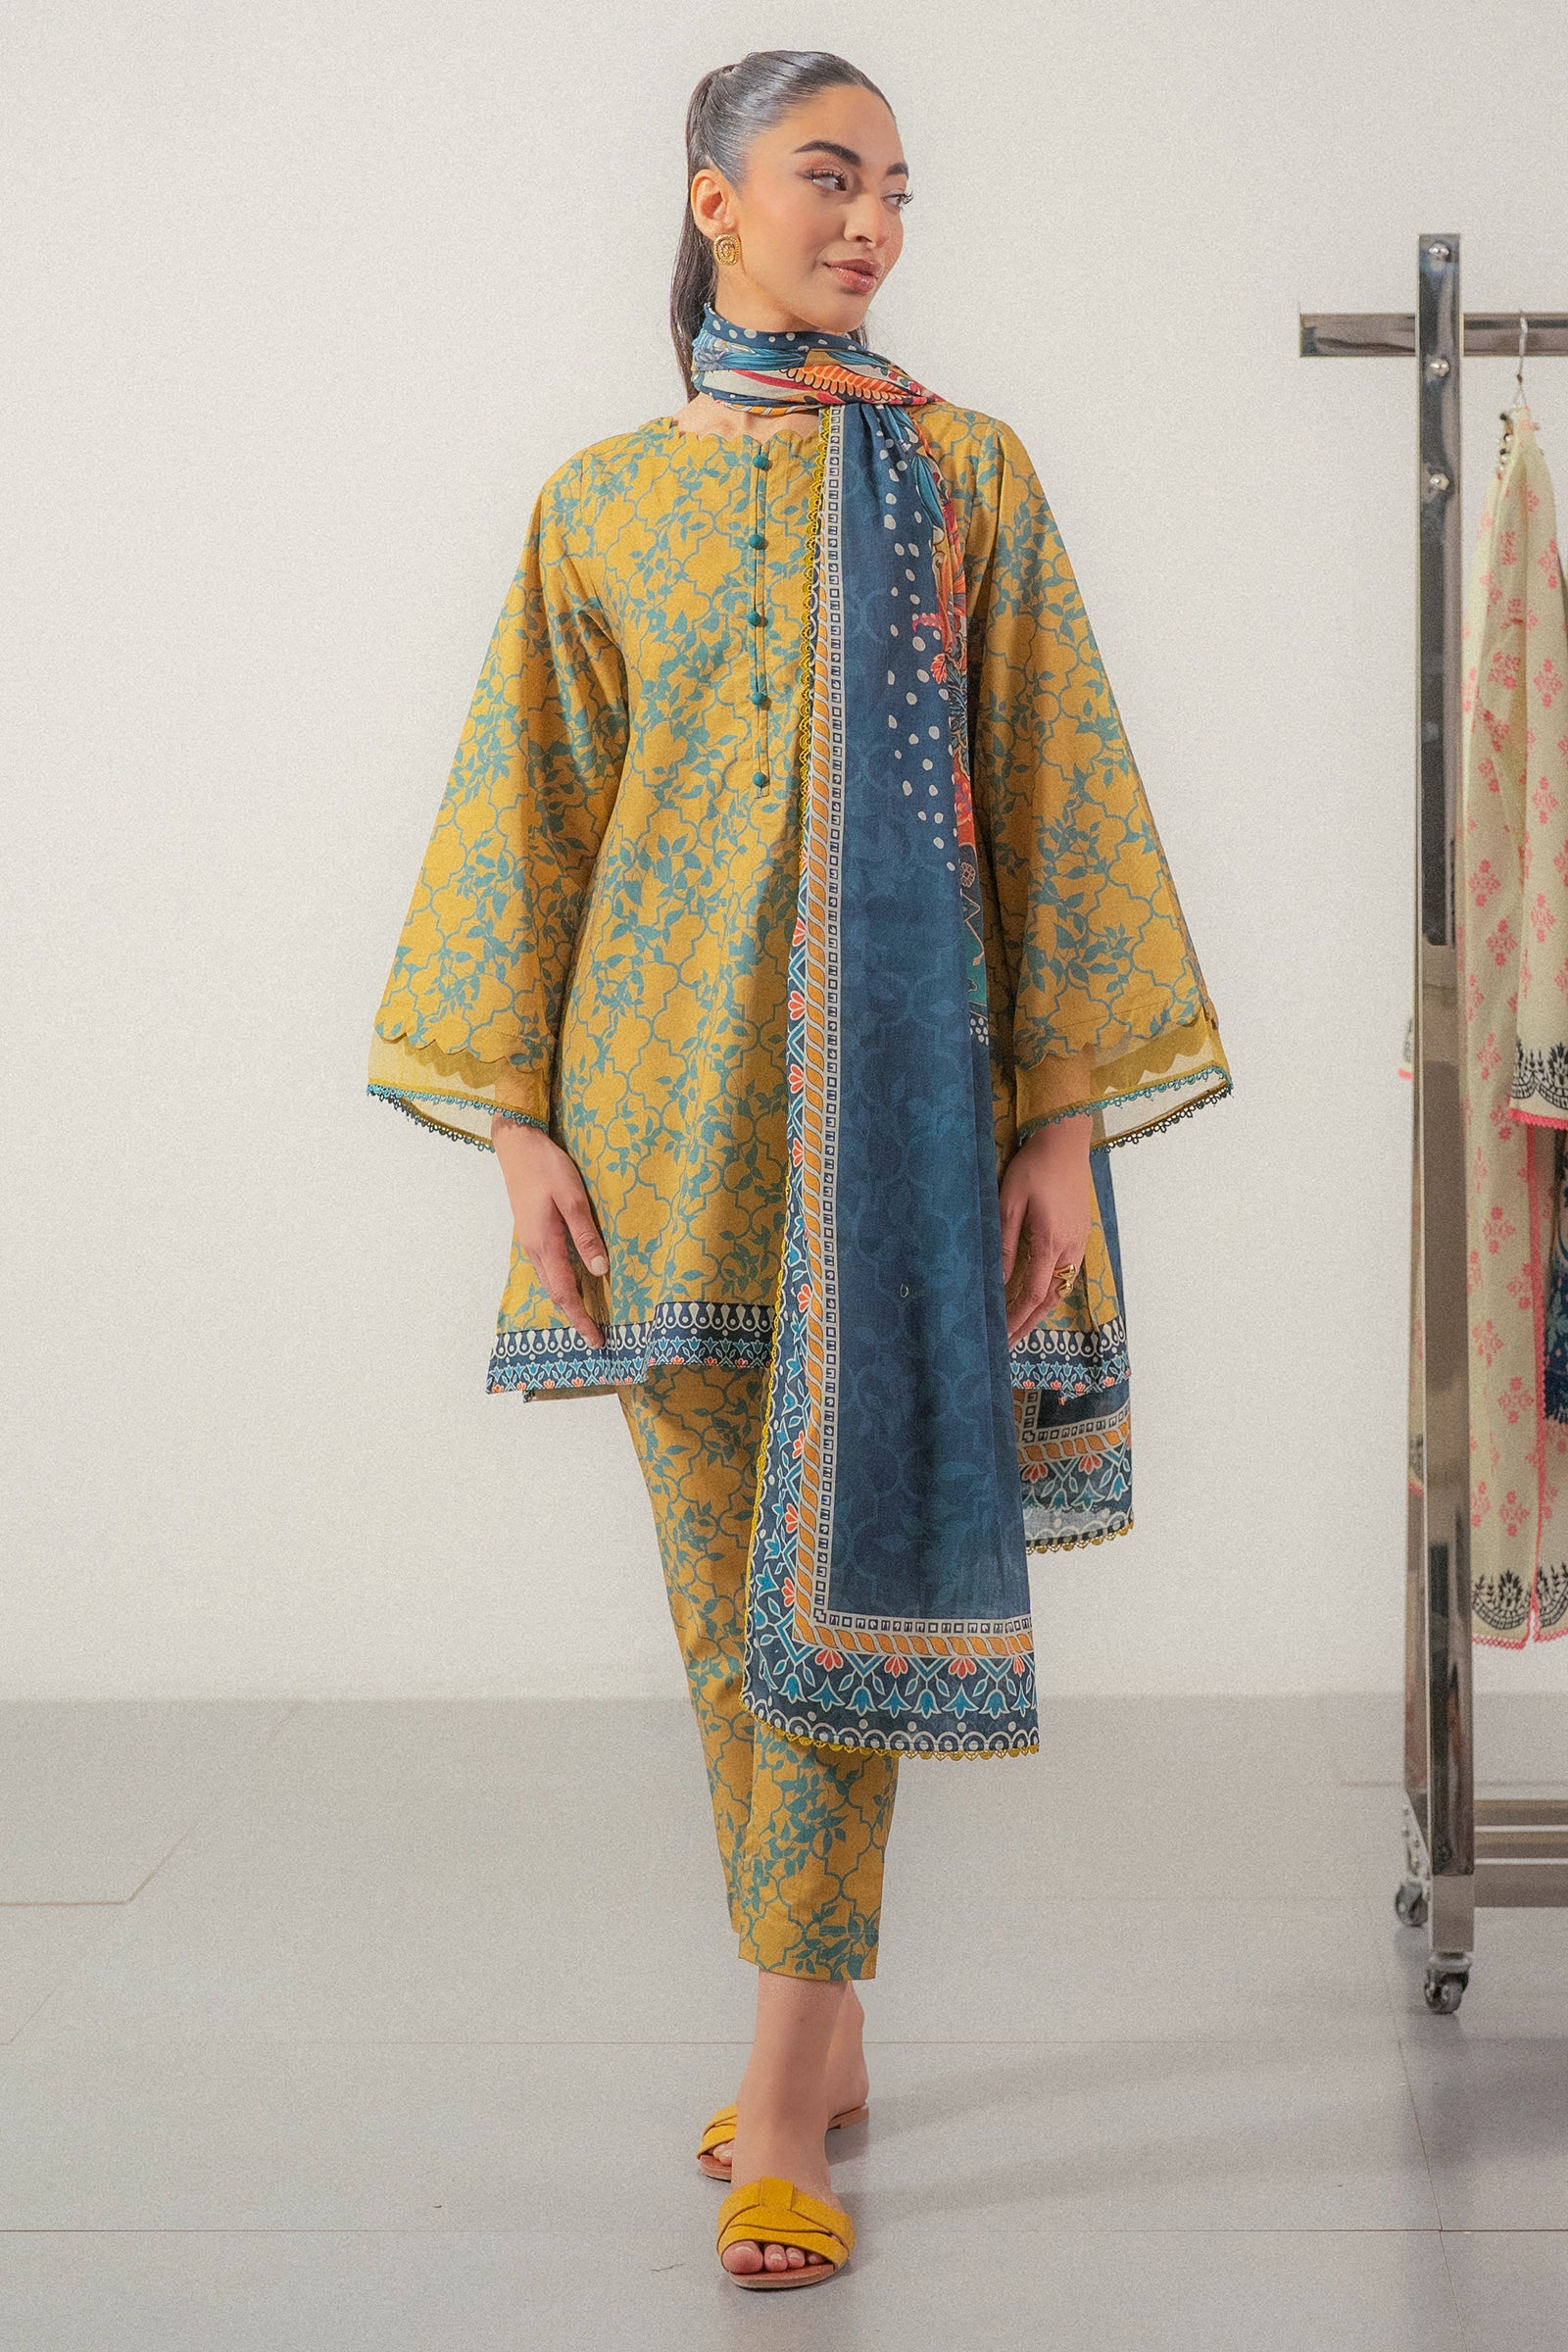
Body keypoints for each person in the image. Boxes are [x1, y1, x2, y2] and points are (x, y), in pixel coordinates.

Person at [368, 49, 1232, 2292]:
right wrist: (516, 1132)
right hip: (653, 1131)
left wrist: (1059, 1126)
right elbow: (526, 824)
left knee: (837, 1584)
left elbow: (1053, 795)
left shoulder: (964, 478)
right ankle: (825, 2021)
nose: (868, 223)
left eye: (894, 190)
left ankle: (776, 2099)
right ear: (712, 199)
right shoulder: (595, 507)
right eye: (827, 178)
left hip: (901, 1142)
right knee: (720, 1620)